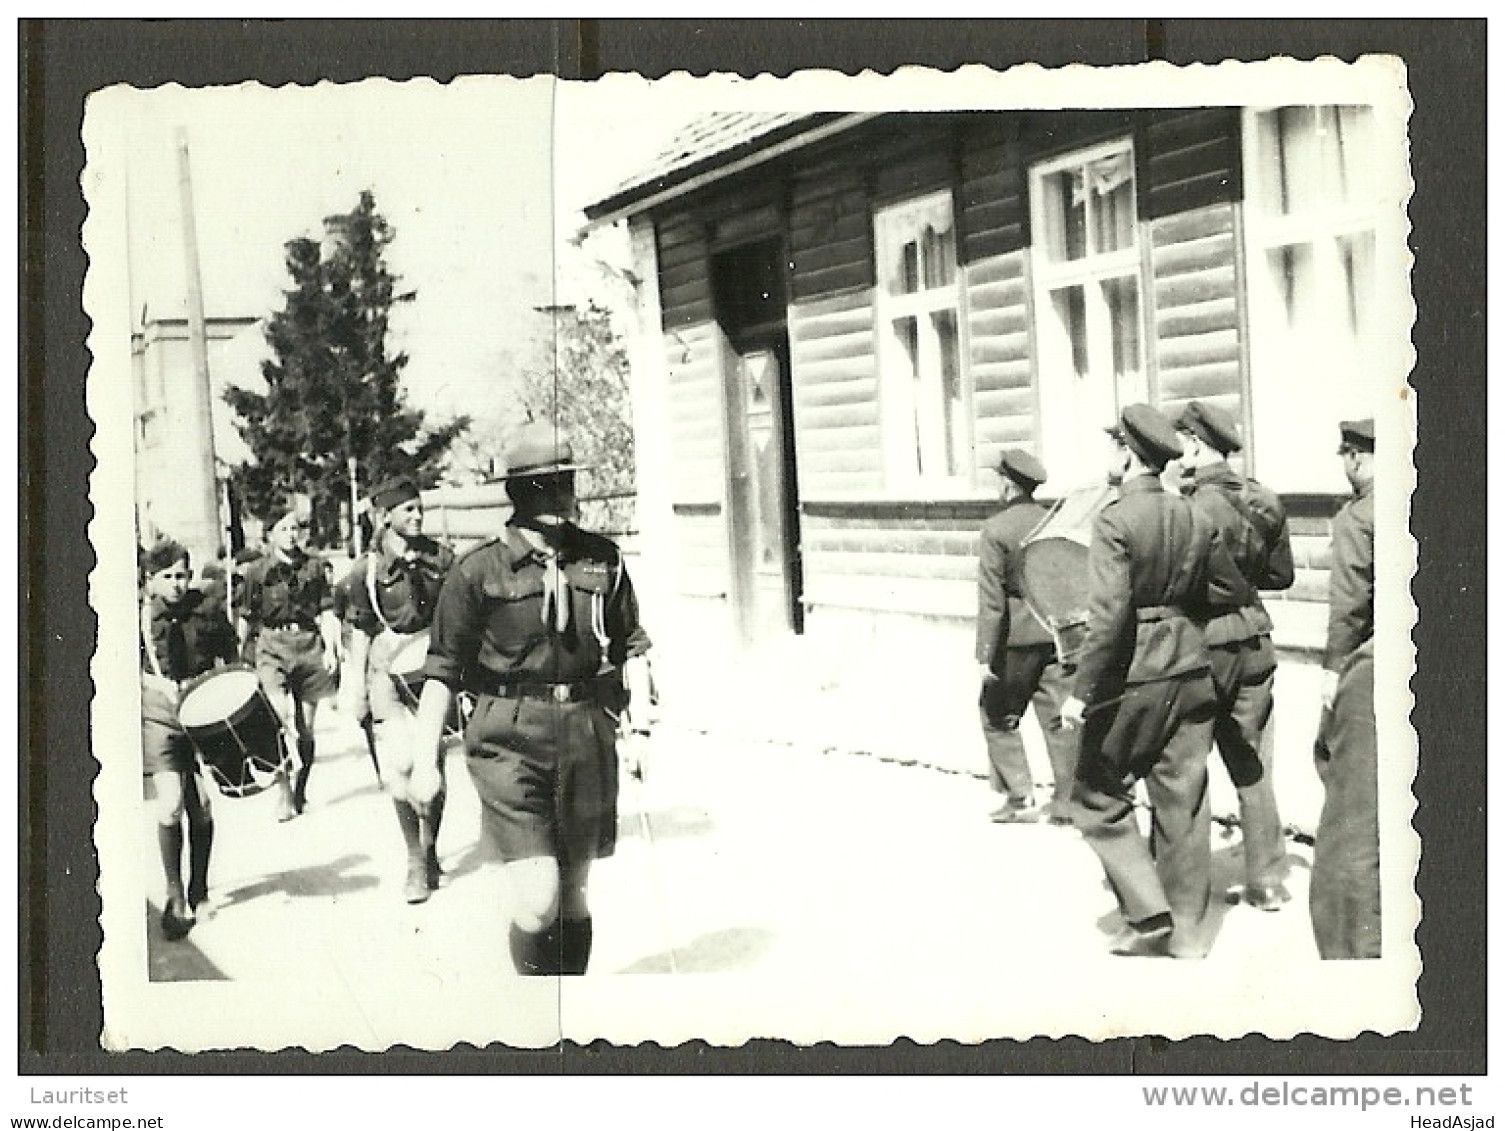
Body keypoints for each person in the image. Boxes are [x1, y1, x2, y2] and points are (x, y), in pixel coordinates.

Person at [414, 421, 654, 976]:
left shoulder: (602, 560)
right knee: (537, 898)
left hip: (586, 731)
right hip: (508, 737)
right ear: (518, 493)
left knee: (572, 896)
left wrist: (639, 731)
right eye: (546, 484)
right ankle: (534, 1008)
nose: (562, 494)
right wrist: (426, 757)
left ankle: (569, 1017)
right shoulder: (475, 572)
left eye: (565, 481)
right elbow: (443, 670)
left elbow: (631, 645)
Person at [1060, 404, 1247, 959]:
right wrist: (1179, 606)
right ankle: (1189, 936)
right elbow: (1230, 590)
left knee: (1093, 793)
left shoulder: (1115, 520)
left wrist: (1079, 693)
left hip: (1135, 674)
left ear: (1125, 453)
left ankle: (1147, 912)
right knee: (1183, 797)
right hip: (1192, 668)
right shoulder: (1194, 514)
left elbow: (1109, 618)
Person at [1173, 400, 1296, 910]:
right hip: (1256, 640)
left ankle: (1189, 891)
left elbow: (1175, 579)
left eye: (1183, 440)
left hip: (1203, 642)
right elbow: (1281, 577)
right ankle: (1267, 880)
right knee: (1252, 762)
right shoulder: (1264, 498)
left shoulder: (1187, 506)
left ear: (1198, 444)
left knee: (1186, 766)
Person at [342, 476, 456, 903]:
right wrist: (353, 689)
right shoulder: (365, 572)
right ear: (385, 515)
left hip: (431, 671)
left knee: (432, 765)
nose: (417, 515)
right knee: (399, 767)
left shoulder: (442, 560)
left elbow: (460, 616)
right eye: (408, 509)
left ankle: (429, 850)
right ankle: (413, 857)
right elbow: (359, 631)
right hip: (385, 675)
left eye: (420, 508)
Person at [138, 538, 238, 940]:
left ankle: (199, 888)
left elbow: (230, 657)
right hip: (160, 714)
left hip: (201, 711)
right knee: (171, 802)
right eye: (168, 577)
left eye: (183, 575)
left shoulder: (207, 611)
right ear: (150, 580)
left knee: (203, 806)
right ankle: (175, 896)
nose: (178, 584)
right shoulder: (139, 617)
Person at [975, 448, 1077, 824]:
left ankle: (1020, 797)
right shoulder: (1052, 520)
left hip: (1014, 640)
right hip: (1054, 634)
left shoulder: (996, 529)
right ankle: (1068, 804)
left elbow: (991, 601)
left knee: (996, 712)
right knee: (1056, 718)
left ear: (1006, 484)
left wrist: (985, 653)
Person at [1309, 418, 1379, 959]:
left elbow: (1349, 611)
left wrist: (1333, 679)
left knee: (1352, 829)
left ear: (1356, 458)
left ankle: (1352, 955)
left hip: (1377, 673)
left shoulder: (1358, 518)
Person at [238, 498, 342, 820]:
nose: (291, 534)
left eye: (295, 528)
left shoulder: (314, 567)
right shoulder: (257, 572)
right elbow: (246, 615)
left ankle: (300, 791)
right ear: (270, 535)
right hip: (272, 645)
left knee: (306, 728)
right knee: (281, 720)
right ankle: (282, 791)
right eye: (283, 529)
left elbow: (326, 610)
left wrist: (333, 645)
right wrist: (240, 653)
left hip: (308, 645)